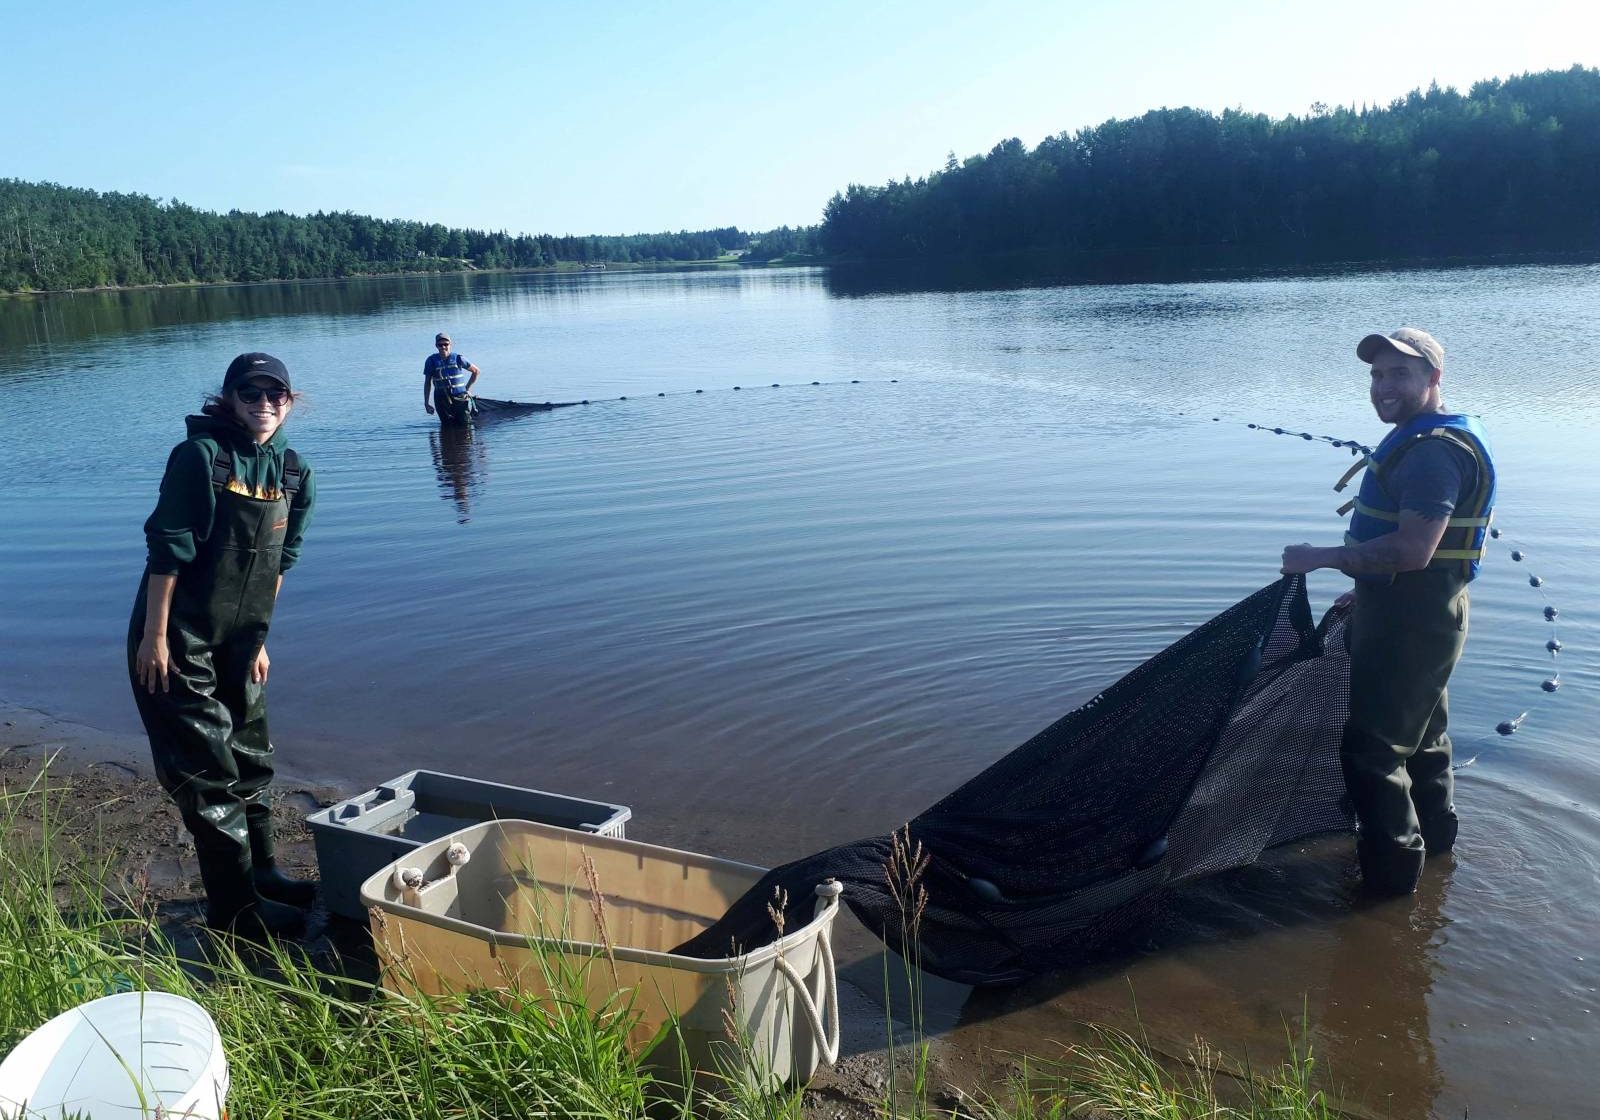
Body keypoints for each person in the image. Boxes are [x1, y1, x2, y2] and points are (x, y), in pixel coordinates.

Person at [1281, 327, 1496, 895]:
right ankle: (1438, 855)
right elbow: (1422, 556)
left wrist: (1321, 558)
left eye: (1400, 373)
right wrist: (1365, 590)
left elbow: (1414, 550)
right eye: (1377, 375)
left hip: (1413, 624)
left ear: (1434, 377)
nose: (1383, 386)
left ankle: (1387, 896)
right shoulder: (1426, 438)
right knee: (1422, 741)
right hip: (1417, 612)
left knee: (1373, 753)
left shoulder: (1432, 453)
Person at [129, 352, 319, 938]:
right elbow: (168, 552)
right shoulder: (201, 458)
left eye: (274, 394)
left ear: (289, 401)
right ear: (230, 398)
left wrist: (259, 639)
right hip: (178, 638)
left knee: (252, 756)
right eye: (250, 393)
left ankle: (262, 875)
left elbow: (280, 564)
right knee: (209, 772)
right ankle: (236, 912)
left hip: (241, 641)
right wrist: (154, 639)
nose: (263, 405)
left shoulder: (294, 472)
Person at [423, 332, 481, 425]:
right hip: (441, 399)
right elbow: (427, 383)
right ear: (436, 346)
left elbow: (476, 371)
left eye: (446, 344)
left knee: (465, 425)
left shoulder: (458, 358)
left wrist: (467, 389)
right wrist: (426, 403)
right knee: (446, 425)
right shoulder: (431, 361)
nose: (443, 347)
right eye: (440, 345)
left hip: (460, 397)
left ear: (450, 344)